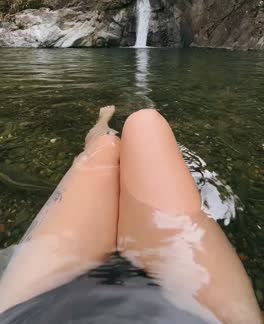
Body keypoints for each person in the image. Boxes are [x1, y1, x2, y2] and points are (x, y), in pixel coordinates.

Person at [0, 107, 262, 323]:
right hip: (203, 315)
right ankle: (106, 128)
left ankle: (102, 122)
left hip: (32, 312)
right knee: (145, 122)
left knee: (105, 146)